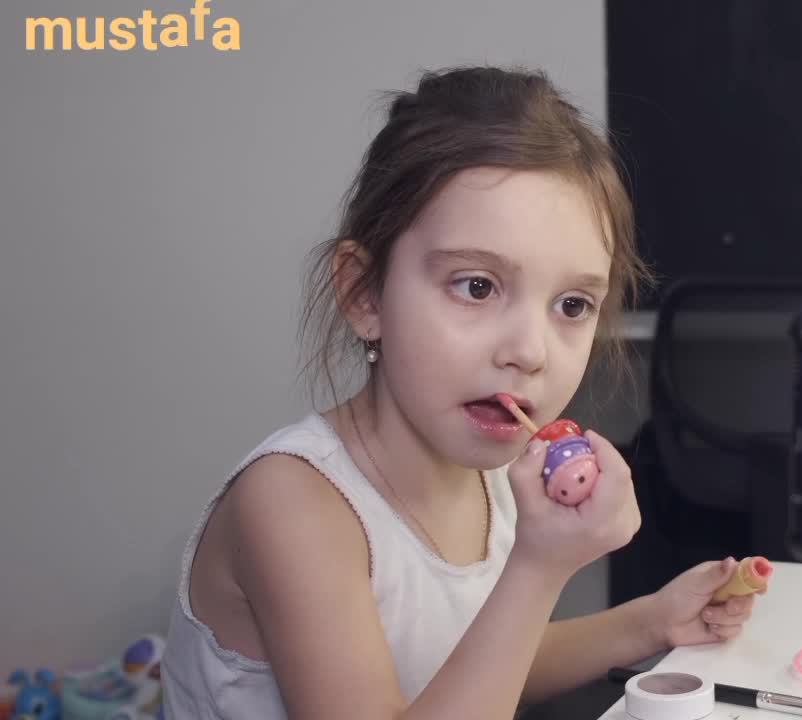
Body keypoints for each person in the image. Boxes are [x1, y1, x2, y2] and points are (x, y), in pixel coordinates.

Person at [160, 65, 765, 720]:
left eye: (571, 304)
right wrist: (538, 569)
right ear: (365, 295)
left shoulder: (496, 476)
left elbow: (474, 670)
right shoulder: (293, 506)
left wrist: (650, 623)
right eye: (476, 286)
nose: (529, 352)